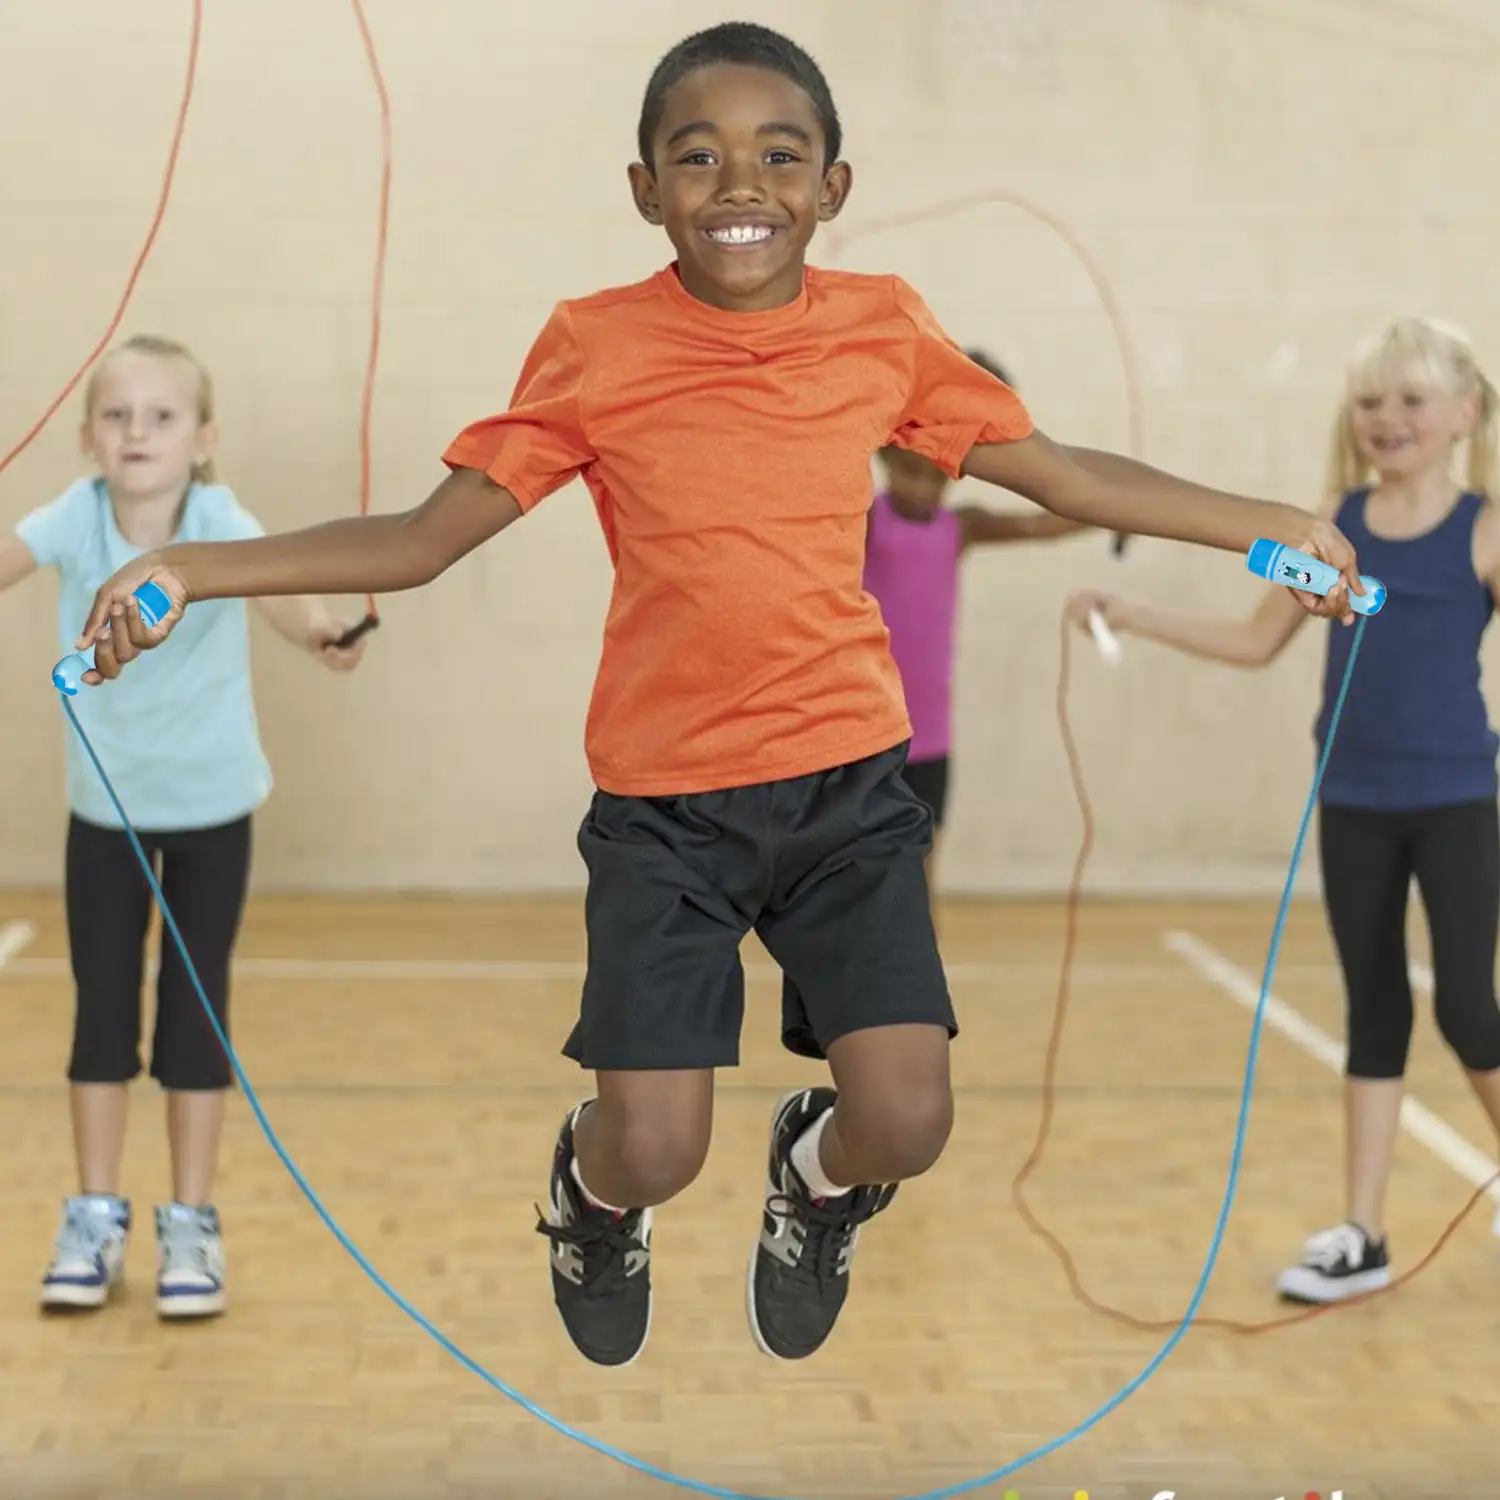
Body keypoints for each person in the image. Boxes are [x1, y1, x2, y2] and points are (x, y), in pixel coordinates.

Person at [70, 25, 1361, 1364]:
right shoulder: (594, 346)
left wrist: (1267, 529)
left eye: (778, 156)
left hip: (848, 789)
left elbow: (1066, 477)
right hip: (666, 808)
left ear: (834, 186)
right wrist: (187, 568)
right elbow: (420, 539)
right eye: (699, 156)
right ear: (645, 189)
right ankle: (588, 1197)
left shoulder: (883, 329)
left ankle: (813, 1178)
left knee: (908, 1118)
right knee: (656, 1147)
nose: (740, 183)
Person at [1067, 315, 1500, 1304]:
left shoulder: (1485, 530)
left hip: (1457, 805)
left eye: (1412, 400)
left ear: (1464, 414)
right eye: (1370, 401)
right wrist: (1135, 613)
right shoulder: (1329, 527)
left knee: (1471, 1010)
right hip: (1351, 804)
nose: (1386, 418)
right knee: (1375, 1010)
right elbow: (1256, 640)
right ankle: (1364, 1232)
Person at [0, 334, 368, 1319]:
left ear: (203, 437)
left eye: (161, 416)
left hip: (211, 814)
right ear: (87, 437)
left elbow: (279, 592)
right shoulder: (75, 521)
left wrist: (325, 634)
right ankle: (92, 1215)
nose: (137, 432)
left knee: (194, 1024)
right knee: (102, 1018)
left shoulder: (214, 520)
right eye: (117, 416)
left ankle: (190, 1226)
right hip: (105, 820)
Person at [863, 348, 1091, 887]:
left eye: (936, 478)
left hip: (931, 735)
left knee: (920, 875)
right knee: (867, 879)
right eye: (912, 474)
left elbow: (1040, 524)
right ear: (888, 459)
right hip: (866, 733)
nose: (924, 489)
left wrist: (1113, 517)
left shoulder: (959, 527)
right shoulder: (867, 519)